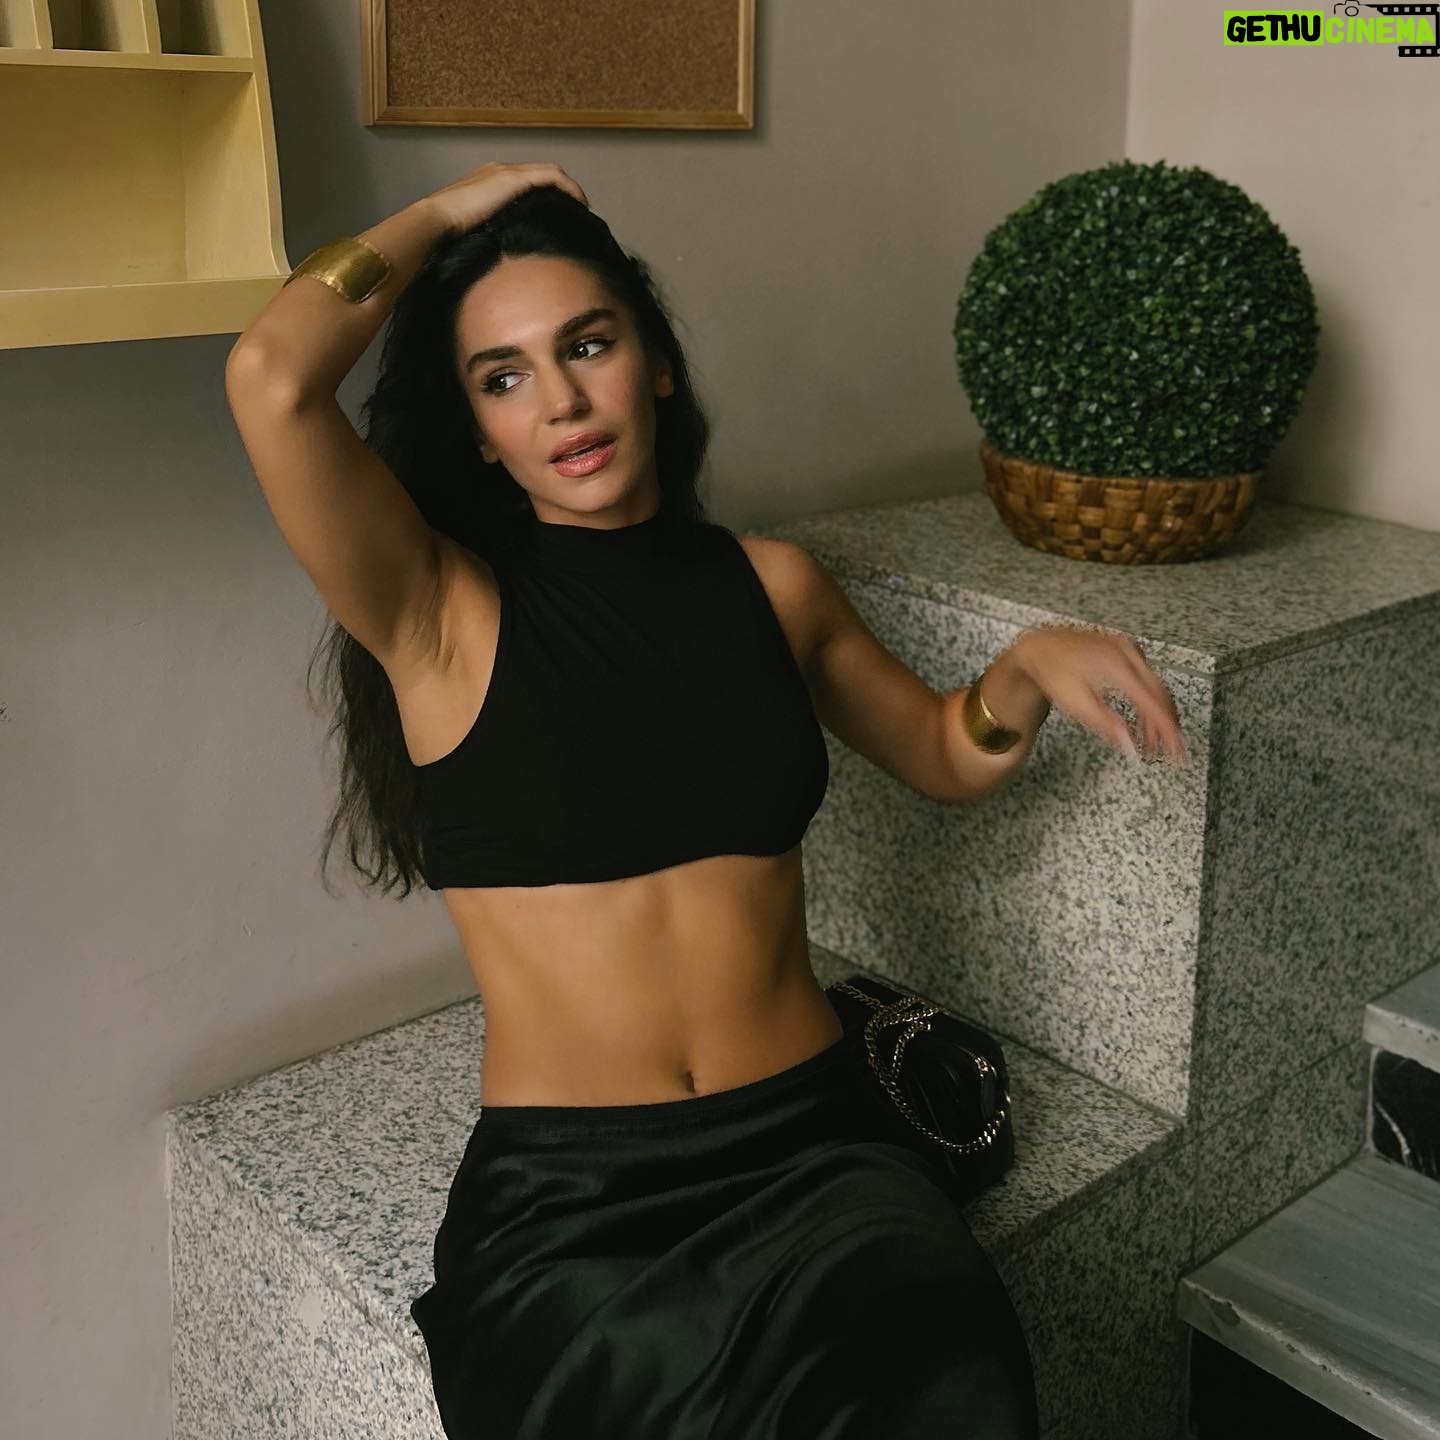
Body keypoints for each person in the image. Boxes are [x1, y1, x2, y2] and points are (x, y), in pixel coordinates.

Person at [225, 161, 1188, 1439]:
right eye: (503, 377)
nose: (561, 400)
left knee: (959, 1395)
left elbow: (942, 755)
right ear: (479, 432)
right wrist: (456, 211)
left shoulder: (775, 588)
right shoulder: (439, 615)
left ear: (658, 364)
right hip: (575, 1212)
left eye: (588, 344)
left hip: (818, 1159)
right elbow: (272, 377)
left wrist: (1020, 674)